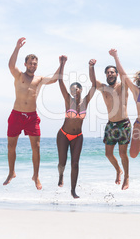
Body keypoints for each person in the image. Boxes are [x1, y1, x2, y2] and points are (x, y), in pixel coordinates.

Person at [4, 37, 60, 190]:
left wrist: (61, 64)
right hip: (16, 115)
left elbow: (55, 79)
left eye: (35, 63)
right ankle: (11, 172)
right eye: (30, 63)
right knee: (11, 146)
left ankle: (36, 176)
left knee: (36, 147)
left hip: (31, 117)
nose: (33, 65)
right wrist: (17, 48)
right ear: (25, 64)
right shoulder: (19, 75)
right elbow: (10, 65)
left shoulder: (39, 79)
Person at [56, 56, 97, 198]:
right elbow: (60, 81)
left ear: (80, 89)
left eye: (76, 89)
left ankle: (73, 190)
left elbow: (94, 86)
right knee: (62, 163)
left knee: (75, 164)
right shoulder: (68, 100)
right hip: (63, 134)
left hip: (78, 136)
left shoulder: (85, 101)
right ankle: (61, 176)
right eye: (72, 90)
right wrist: (62, 64)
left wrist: (91, 67)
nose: (74, 91)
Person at [95, 57, 131, 190]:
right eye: (107, 73)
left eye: (112, 72)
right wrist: (91, 67)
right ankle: (118, 170)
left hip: (124, 124)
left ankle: (126, 177)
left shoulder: (122, 86)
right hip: (111, 124)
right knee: (108, 154)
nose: (110, 74)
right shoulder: (104, 89)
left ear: (116, 74)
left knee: (123, 154)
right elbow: (93, 81)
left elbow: (124, 75)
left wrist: (115, 57)